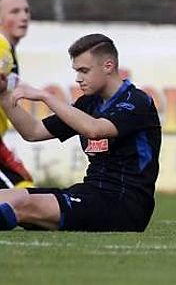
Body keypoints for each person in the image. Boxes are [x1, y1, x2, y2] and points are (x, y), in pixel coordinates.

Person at [0, 34, 161, 232]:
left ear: (108, 66)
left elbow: (95, 130)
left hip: (125, 204)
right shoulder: (88, 103)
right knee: (7, 196)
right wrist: (4, 95)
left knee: (23, 205)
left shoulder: (136, 101)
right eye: (77, 71)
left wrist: (45, 96)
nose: (78, 79)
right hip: (91, 194)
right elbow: (33, 131)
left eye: (84, 71)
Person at [0, 0, 35, 189]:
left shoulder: (8, 50)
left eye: (26, 10)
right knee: (23, 193)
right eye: (14, 11)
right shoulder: (1, 46)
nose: (23, 17)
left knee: (25, 188)